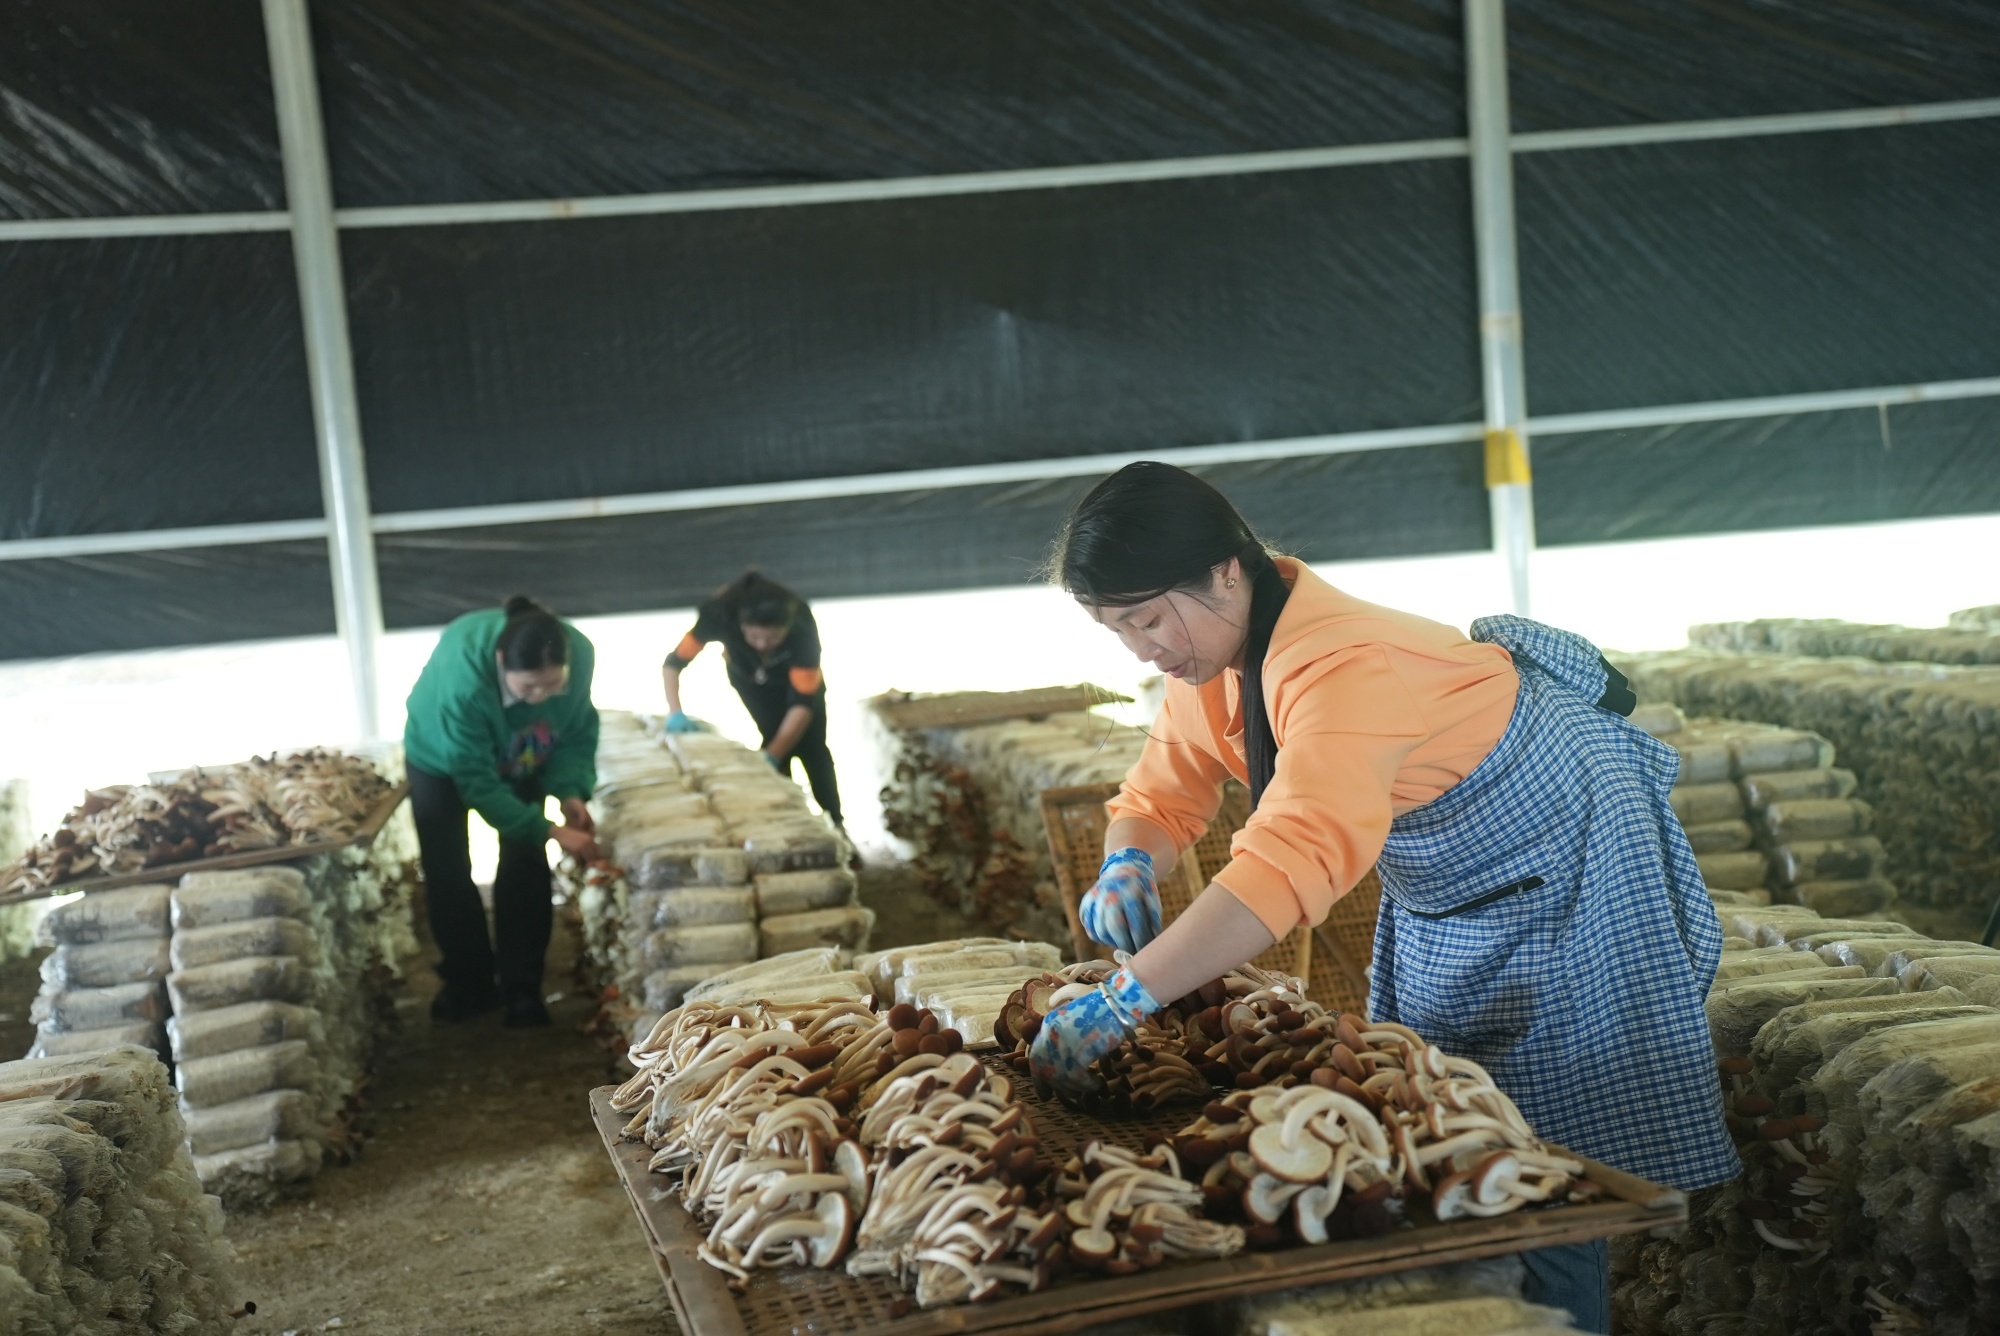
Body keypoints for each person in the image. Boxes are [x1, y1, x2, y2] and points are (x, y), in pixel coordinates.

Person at [1029, 463, 1735, 1333]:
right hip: (1456, 880)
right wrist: (1129, 862)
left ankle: (1557, 1311)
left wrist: (1132, 992)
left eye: (1146, 619)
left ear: (1224, 571)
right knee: (1454, 1111)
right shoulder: (1210, 656)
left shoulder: (1341, 663)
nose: (1141, 648)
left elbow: (1291, 858)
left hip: (1575, 856)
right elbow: (1160, 796)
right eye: (1116, 631)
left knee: (1540, 1150)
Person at [403, 595, 602, 1028]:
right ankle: (470, 984)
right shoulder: (465, 681)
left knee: (527, 858)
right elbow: (475, 781)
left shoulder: (580, 652)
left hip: (525, 749)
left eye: (551, 686)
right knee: (448, 864)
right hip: (442, 756)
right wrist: (551, 829)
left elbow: (578, 728)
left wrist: (570, 791)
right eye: (528, 687)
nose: (538, 698)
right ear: (500, 663)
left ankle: (523, 990)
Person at [661, 571, 844, 828]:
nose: (762, 644)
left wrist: (771, 755)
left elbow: (802, 704)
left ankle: (835, 822)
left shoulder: (801, 625)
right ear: (742, 625)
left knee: (813, 748)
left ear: (786, 628)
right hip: (748, 678)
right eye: (755, 637)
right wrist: (675, 712)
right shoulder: (718, 614)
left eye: (772, 638)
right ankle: (791, 821)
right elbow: (673, 664)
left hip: (795, 679)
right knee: (772, 733)